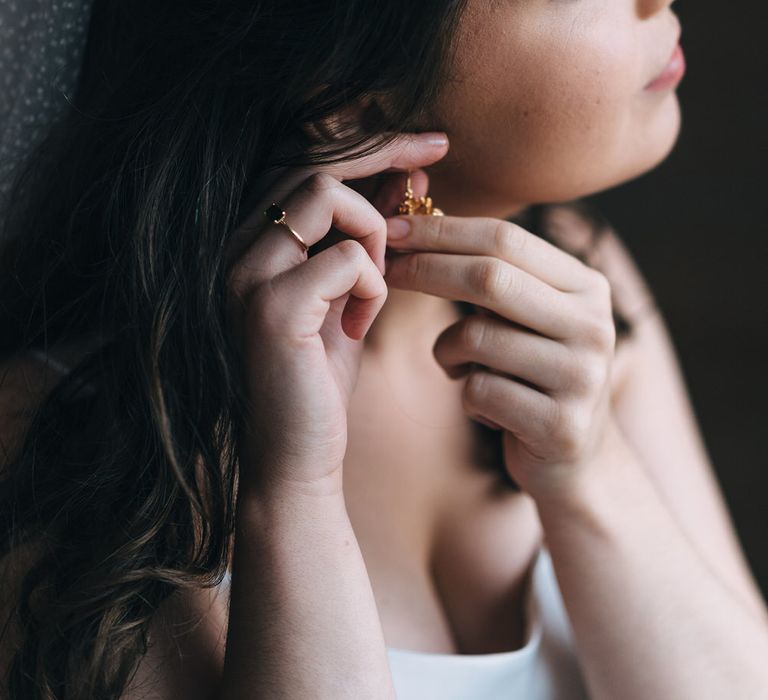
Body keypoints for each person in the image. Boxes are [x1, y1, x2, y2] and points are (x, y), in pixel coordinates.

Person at [1, 0, 767, 698]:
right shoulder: (61, 443)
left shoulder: (579, 280)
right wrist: (293, 495)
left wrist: (592, 475)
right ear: (349, 98)